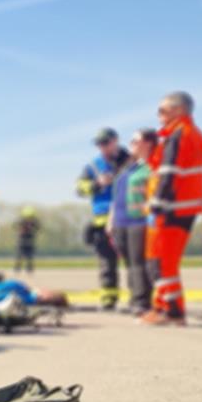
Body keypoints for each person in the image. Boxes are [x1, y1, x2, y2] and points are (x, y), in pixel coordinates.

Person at [141, 92, 202, 326]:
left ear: (178, 110)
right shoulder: (190, 134)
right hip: (184, 206)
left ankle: (173, 311)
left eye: (162, 110)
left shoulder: (180, 134)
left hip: (173, 207)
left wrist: (157, 204)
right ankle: (164, 307)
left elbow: (169, 173)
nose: (159, 115)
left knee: (162, 261)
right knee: (163, 261)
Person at [76, 128, 127, 311]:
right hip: (102, 221)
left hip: (128, 218)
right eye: (99, 144)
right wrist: (97, 184)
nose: (102, 147)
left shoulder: (130, 160)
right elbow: (80, 189)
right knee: (107, 263)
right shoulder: (93, 166)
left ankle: (141, 299)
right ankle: (108, 299)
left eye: (105, 143)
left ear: (115, 141)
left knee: (135, 262)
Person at [113, 130, 157, 313]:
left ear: (148, 143)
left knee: (139, 262)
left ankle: (142, 301)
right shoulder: (129, 167)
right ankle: (134, 298)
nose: (131, 144)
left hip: (139, 221)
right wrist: (111, 221)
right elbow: (116, 196)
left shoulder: (152, 167)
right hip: (121, 221)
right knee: (129, 263)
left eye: (135, 141)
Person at [13, 207, 41, 274]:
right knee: (20, 255)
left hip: (30, 240)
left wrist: (32, 227)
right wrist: (21, 229)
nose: (29, 219)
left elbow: (38, 228)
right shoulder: (21, 221)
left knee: (29, 256)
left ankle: (29, 268)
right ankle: (17, 268)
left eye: (30, 217)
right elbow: (14, 226)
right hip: (22, 240)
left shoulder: (34, 222)